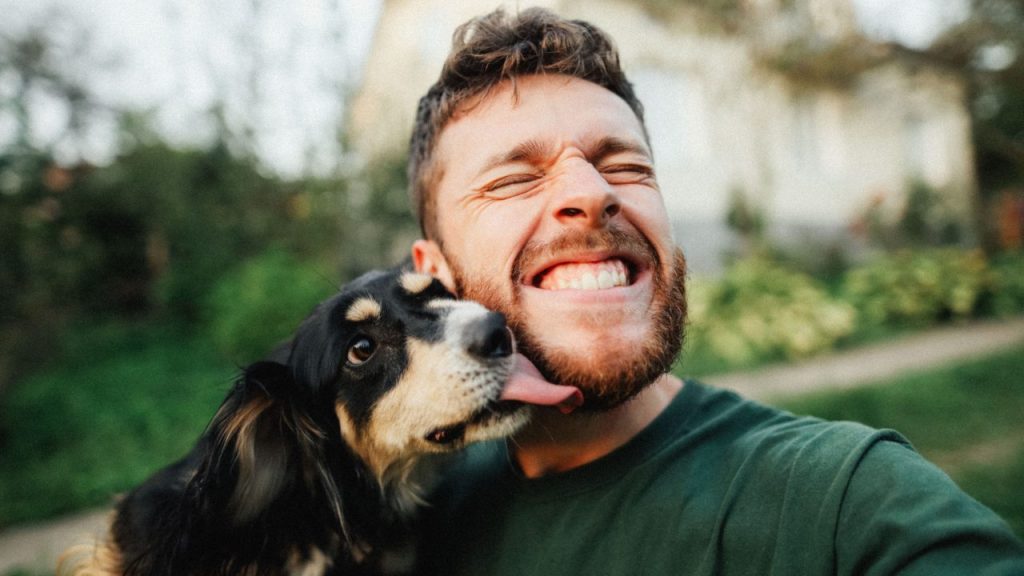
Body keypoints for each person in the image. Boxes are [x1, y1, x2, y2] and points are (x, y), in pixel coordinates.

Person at [405, 7, 1024, 575]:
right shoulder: (410, 508)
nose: (594, 193)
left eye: (626, 167)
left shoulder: (842, 505)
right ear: (434, 276)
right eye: (515, 178)